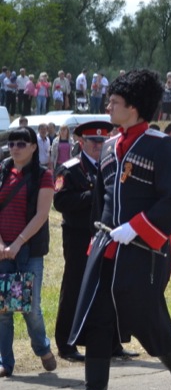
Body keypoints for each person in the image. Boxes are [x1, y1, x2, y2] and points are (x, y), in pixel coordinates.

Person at [58, 70, 171, 390]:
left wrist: (134, 228)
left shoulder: (160, 145)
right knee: (97, 320)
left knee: (146, 323)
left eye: (115, 102)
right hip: (107, 248)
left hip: (143, 253)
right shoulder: (107, 145)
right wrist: (98, 237)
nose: (109, 106)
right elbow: (101, 200)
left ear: (133, 108)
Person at [52, 122, 116, 362]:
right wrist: (93, 196)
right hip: (79, 236)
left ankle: (111, 343)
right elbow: (61, 202)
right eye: (93, 141)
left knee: (107, 287)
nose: (99, 146)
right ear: (81, 142)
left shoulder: (111, 166)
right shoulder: (69, 169)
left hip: (106, 234)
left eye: (102, 141)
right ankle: (66, 343)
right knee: (74, 287)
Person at [0, 127, 57, 377]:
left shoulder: (43, 175)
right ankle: (5, 362)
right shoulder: (2, 171)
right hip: (2, 250)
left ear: (34, 147)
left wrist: (18, 243)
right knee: (3, 310)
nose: (15, 148)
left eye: (21, 143)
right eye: (12, 143)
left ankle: (42, 347)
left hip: (29, 250)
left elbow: (42, 215)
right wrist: (2, 244)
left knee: (30, 307)